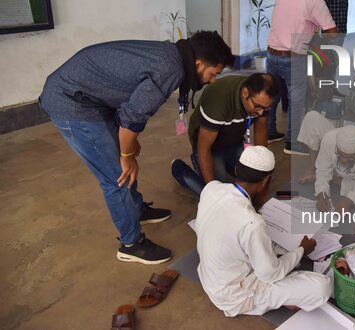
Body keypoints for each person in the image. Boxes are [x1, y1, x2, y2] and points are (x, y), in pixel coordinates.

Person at [39, 31, 233, 265]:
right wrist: (126, 154)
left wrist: (128, 145)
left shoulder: (172, 55)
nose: (213, 80)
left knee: (124, 162)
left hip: (92, 98)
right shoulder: (171, 68)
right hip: (72, 102)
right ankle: (131, 244)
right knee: (116, 176)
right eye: (214, 74)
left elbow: (131, 108)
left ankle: (137, 209)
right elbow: (134, 116)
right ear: (199, 63)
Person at [196, 146, 331, 317]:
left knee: (268, 254)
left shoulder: (211, 188)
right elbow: (270, 275)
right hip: (234, 297)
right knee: (322, 287)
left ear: (237, 169)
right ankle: (279, 298)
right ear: (266, 181)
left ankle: (282, 291)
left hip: (211, 279)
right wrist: (302, 250)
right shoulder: (252, 223)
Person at [267, 0, 337, 156]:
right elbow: (332, 32)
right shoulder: (315, 1)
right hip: (294, 58)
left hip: (272, 54)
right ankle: (292, 143)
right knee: (297, 101)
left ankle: (271, 132)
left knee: (273, 94)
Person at [171, 73, 280, 195]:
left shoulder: (261, 101)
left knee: (255, 179)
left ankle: (228, 164)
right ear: (245, 93)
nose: (260, 112)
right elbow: (204, 148)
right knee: (215, 194)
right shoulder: (219, 99)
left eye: (265, 109)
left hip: (234, 140)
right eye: (258, 107)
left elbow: (261, 132)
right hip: (210, 146)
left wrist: (262, 172)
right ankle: (179, 169)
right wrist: (213, 193)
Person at [297, 111, 355, 212]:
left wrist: (347, 201)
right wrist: (321, 193)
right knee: (312, 117)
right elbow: (323, 170)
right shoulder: (330, 139)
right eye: (340, 154)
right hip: (341, 171)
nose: (343, 160)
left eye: (350, 158)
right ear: (337, 146)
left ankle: (333, 179)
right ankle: (332, 178)